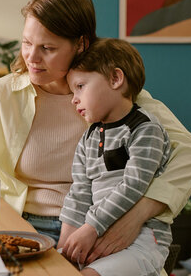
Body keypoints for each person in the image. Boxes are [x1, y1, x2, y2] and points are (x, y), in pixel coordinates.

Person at [0, 0, 191, 264]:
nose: (31, 57)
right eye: (26, 43)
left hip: (96, 228)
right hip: (21, 226)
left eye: (47, 48)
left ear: (81, 44)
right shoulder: (3, 94)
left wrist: (136, 216)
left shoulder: (114, 95)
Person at [58, 38, 171, 275]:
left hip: (141, 241)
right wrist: (64, 250)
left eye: (80, 86)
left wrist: (92, 227)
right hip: (97, 236)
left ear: (115, 79)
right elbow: (80, 191)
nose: (73, 99)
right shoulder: (88, 137)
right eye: (71, 91)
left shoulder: (145, 129)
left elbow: (132, 186)